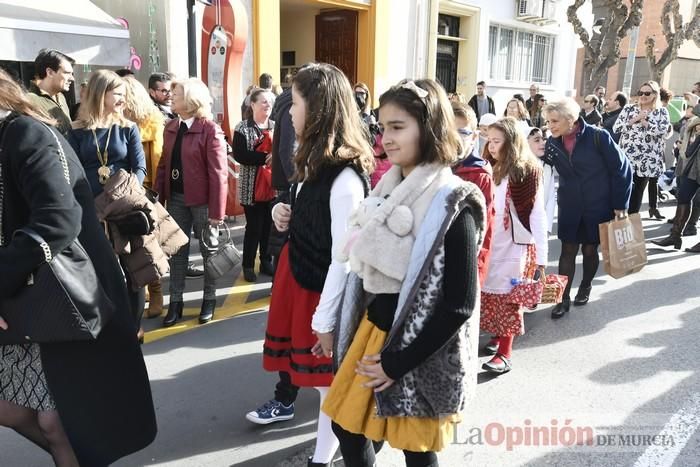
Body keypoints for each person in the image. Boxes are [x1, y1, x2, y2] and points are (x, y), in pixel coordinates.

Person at [321, 78, 485, 466]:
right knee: (347, 426)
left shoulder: (453, 201)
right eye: (384, 127)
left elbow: (460, 304)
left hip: (422, 346)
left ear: (428, 128)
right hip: (374, 332)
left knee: (416, 448)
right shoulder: (386, 190)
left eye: (398, 127)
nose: (387, 138)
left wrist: (398, 362)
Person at [0, 68, 156, 466]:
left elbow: (57, 220)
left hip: (62, 296)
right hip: (24, 296)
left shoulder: (25, 133)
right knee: (15, 410)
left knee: (57, 421)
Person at [247, 63, 374, 467]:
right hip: (301, 275)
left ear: (318, 110)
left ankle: (321, 459)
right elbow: (308, 208)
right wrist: (286, 210)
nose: (288, 113)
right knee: (323, 386)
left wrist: (325, 319)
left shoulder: (345, 179)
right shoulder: (314, 162)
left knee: (328, 386)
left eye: (295, 103)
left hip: (320, 288)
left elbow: (345, 256)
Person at [67, 69, 148, 339]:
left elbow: (140, 168)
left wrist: (123, 195)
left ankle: (134, 327)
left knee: (134, 269)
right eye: (118, 94)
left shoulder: (127, 128)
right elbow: (72, 170)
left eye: (125, 94)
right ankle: (110, 329)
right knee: (100, 271)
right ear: (101, 94)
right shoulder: (76, 131)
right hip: (91, 212)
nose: (123, 99)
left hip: (124, 210)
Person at [544, 98, 632, 319]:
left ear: (570, 119)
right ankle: (562, 299)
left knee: (590, 250)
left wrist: (620, 206)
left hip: (597, 205)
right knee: (567, 251)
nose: (550, 126)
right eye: (548, 121)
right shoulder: (552, 142)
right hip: (570, 205)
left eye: (554, 121)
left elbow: (621, 170)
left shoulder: (598, 136)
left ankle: (585, 287)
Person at [154, 78, 228, 326]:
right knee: (176, 252)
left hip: (203, 202)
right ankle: (175, 302)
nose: (171, 97)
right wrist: (157, 199)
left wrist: (217, 211)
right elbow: (164, 165)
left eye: (176, 93)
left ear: (192, 99)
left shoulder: (210, 129)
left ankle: (209, 299)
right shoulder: (171, 127)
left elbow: (218, 173)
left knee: (209, 253)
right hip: (176, 198)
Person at [477, 118, 547, 374]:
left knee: (509, 297)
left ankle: (505, 353)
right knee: (488, 292)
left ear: (512, 142)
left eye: (497, 141)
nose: (491, 146)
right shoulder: (487, 166)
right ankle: (497, 335)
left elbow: (537, 214)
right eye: (489, 141)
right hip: (489, 241)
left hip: (514, 244)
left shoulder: (527, 171)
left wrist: (541, 255)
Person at [122, 74, 167, 319]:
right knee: (131, 246)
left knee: (149, 244)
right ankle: (144, 290)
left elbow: (158, 159)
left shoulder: (152, 121)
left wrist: (153, 193)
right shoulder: (116, 123)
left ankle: (156, 291)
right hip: (122, 192)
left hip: (146, 191)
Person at [233, 89, 276, 282]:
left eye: (270, 102)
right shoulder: (242, 128)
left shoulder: (276, 126)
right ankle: (248, 264)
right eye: (263, 101)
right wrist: (266, 158)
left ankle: (266, 261)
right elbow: (241, 155)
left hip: (272, 186)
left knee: (269, 226)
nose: (267, 105)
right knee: (254, 227)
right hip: (250, 188)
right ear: (252, 104)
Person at [613, 81, 671, 219]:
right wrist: (636, 119)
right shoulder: (629, 109)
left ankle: (631, 228)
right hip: (627, 159)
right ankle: (616, 226)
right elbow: (616, 128)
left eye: (647, 93)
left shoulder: (661, 111)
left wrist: (646, 123)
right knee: (620, 194)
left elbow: (664, 133)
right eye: (641, 93)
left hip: (647, 162)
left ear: (655, 95)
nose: (643, 96)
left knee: (636, 197)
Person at [452, 101, 495, 287]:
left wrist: (473, 274)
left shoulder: (479, 175)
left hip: (463, 268)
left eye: (462, 132)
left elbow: (483, 233)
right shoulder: (434, 166)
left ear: (475, 137)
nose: (455, 138)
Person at [653, 110, 700, 252]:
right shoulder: (693, 124)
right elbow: (688, 149)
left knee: (694, 201)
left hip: (694, 165)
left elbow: (689, 151)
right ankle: (675, 236)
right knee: (683, 197)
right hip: (692, 167)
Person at [26, 49, 74, 135]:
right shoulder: (30, 100)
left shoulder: (61, 97)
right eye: (67, 73)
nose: (72, 78)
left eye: (71, 74)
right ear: (50, 72)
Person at [528, 127, 556, 232]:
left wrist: (547, 228)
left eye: (542, 139)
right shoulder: (516, 169)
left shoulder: (547, 168)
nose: (543, 143)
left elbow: (551, 199)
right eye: (537, 140)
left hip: (540, 227)